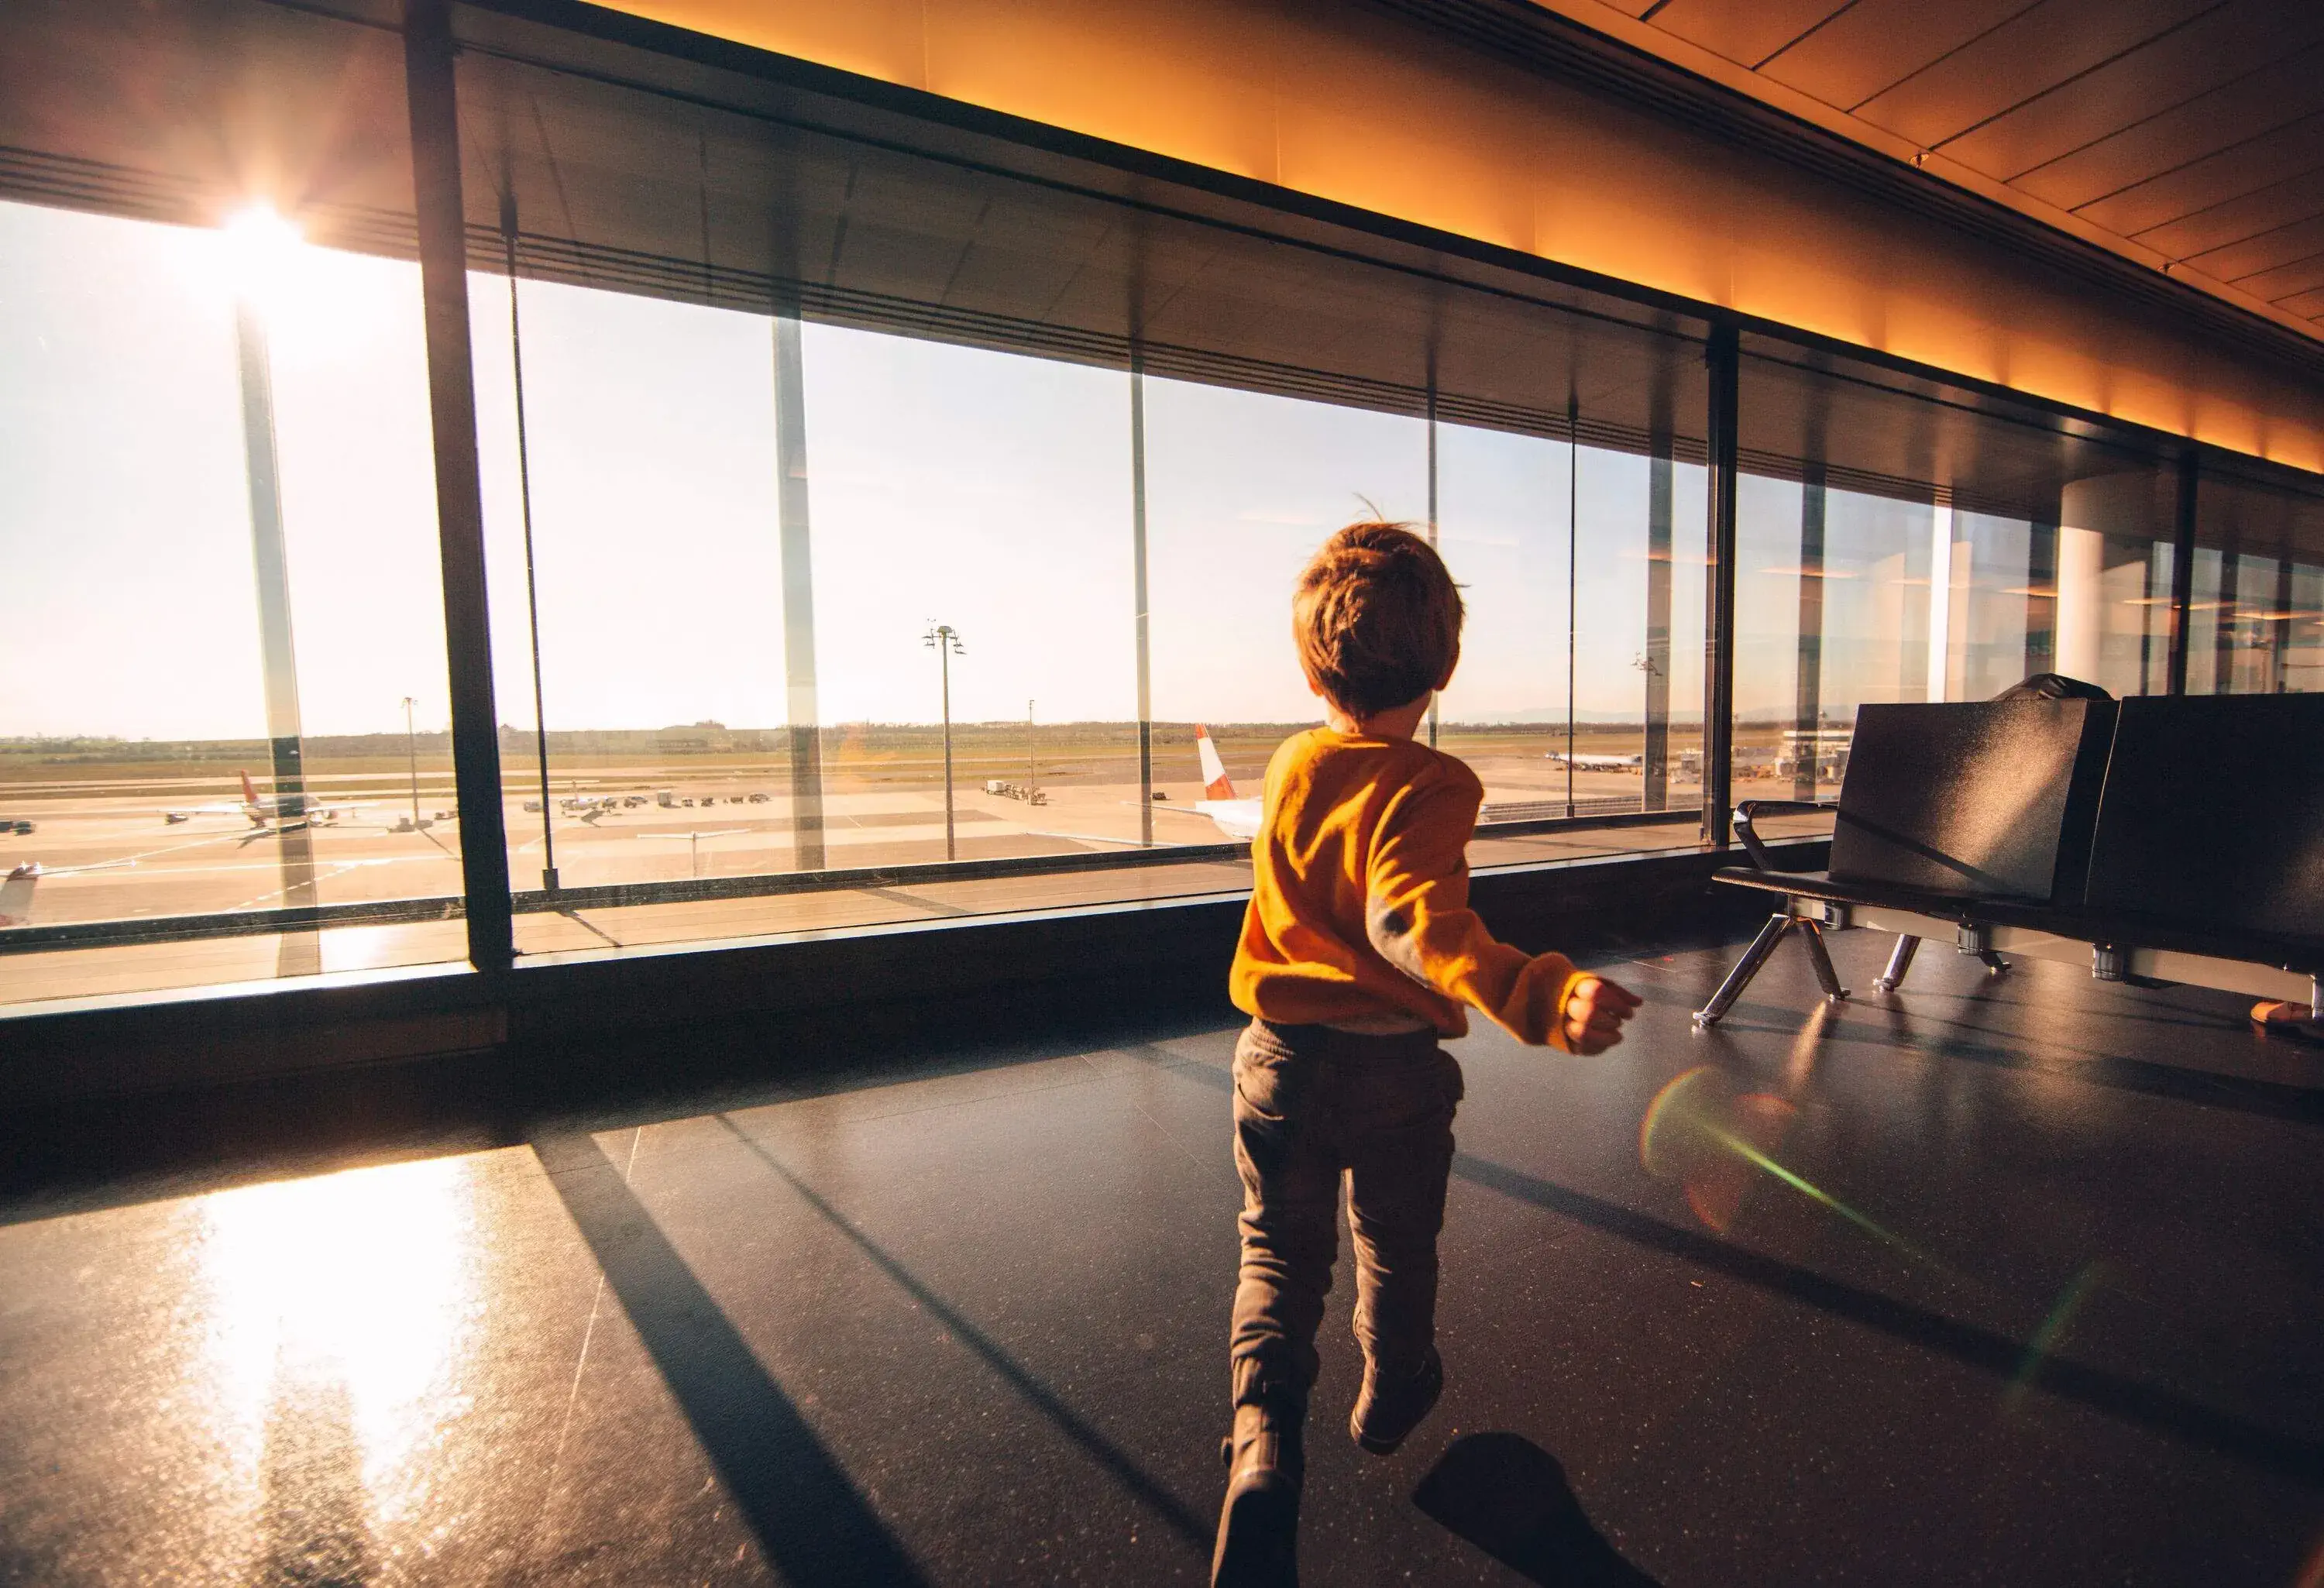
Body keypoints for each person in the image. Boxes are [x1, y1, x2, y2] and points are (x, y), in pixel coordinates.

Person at [1211, 521, 1642, 1586]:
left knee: (1276, 1253)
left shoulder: (1291, 763)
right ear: (1446, 666)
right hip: (1394, 1073)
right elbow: (1414, 923)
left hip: (1282, 1060)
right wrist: (1540, 993)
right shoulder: (1433, 784)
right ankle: (1393, 1386)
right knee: (1395, 1248)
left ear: (1311, 665)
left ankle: (1263, 1440)